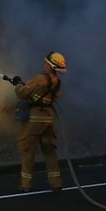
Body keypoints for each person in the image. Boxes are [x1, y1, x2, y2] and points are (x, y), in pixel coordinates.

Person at [14, 51, 66, 193]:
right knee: (49, 151)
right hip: (48, 118)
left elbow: (22, 93)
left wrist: (18, 84)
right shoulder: (57, 82)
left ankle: (26, 184)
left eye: (46, 63)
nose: (44, 65)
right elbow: (55, 96)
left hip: (35, 118)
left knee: (28, 150)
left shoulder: (39, 78)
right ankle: (56, 183)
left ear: (50, 66)